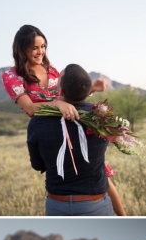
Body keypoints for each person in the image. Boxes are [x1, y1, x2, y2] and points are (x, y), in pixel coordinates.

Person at [1, 24, 126, 216]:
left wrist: (90, 89)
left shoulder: (52, 71)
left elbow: (68, 96)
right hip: (48, 128)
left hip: (72, 120)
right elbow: (29, 107)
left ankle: (122, 216)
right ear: (21, 48)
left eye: (43, 46)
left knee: (100, 171)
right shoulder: (11, 76)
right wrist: (56, 105)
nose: (40, 51)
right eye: (34, 47)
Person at [27, 64, 113, 216]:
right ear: (87, 91)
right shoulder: (101, 118)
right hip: (96, 206)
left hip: (57, 206)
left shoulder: (38, 121)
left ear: (59, 91)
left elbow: (37, 165)